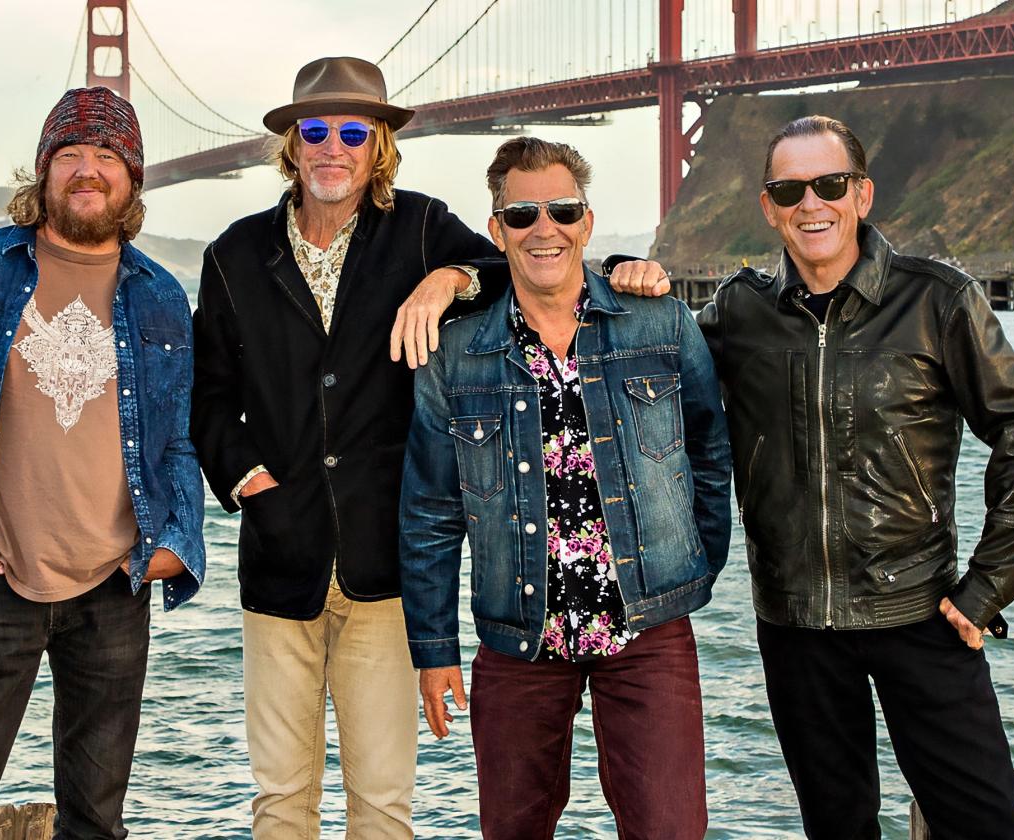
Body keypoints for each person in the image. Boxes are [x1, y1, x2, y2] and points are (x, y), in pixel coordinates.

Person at [190, 57, 669, 838]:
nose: (332, 147)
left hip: (388, 571)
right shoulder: (233, 254)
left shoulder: (419, 227)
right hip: (278, 559)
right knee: (280, 801)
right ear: (292, 145)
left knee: (382, 802)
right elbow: (207, 396)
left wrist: (446, 278)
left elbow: (527, 262)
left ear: (378, 145)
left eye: (354, 131)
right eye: (315, 130)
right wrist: (250, 484)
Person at [692, 114, 1014, 838]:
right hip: (794, 625)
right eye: (789, 190)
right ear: (768, 206)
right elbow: (647, 373)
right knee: (838, 828)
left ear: (862, 194)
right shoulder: (739, 311)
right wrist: (623, 279)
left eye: (829, 184)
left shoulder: (937, 301)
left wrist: (988, 586)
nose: (810, 204)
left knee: (984, 826)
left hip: (923, 614)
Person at [0, 87, 204, 838]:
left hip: (117, 587)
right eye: (71, 153)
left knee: (97, 821)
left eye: (108, 155)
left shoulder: (161, 298)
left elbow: (177, 439)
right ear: (44, 171)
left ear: (134, 177)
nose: (89, 170)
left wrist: (179, 543)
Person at [398, 136, 732, 839]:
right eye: (521, 215)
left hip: (648, 627)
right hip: (519, 638)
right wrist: (433, 649)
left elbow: (709, 449)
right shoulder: (455, 357)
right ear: (496, 231)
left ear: (585, 220)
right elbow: (429, 511)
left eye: (561, 210)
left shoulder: (660, 323)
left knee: (671, 829)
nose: (542, 228)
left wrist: (693, 566)